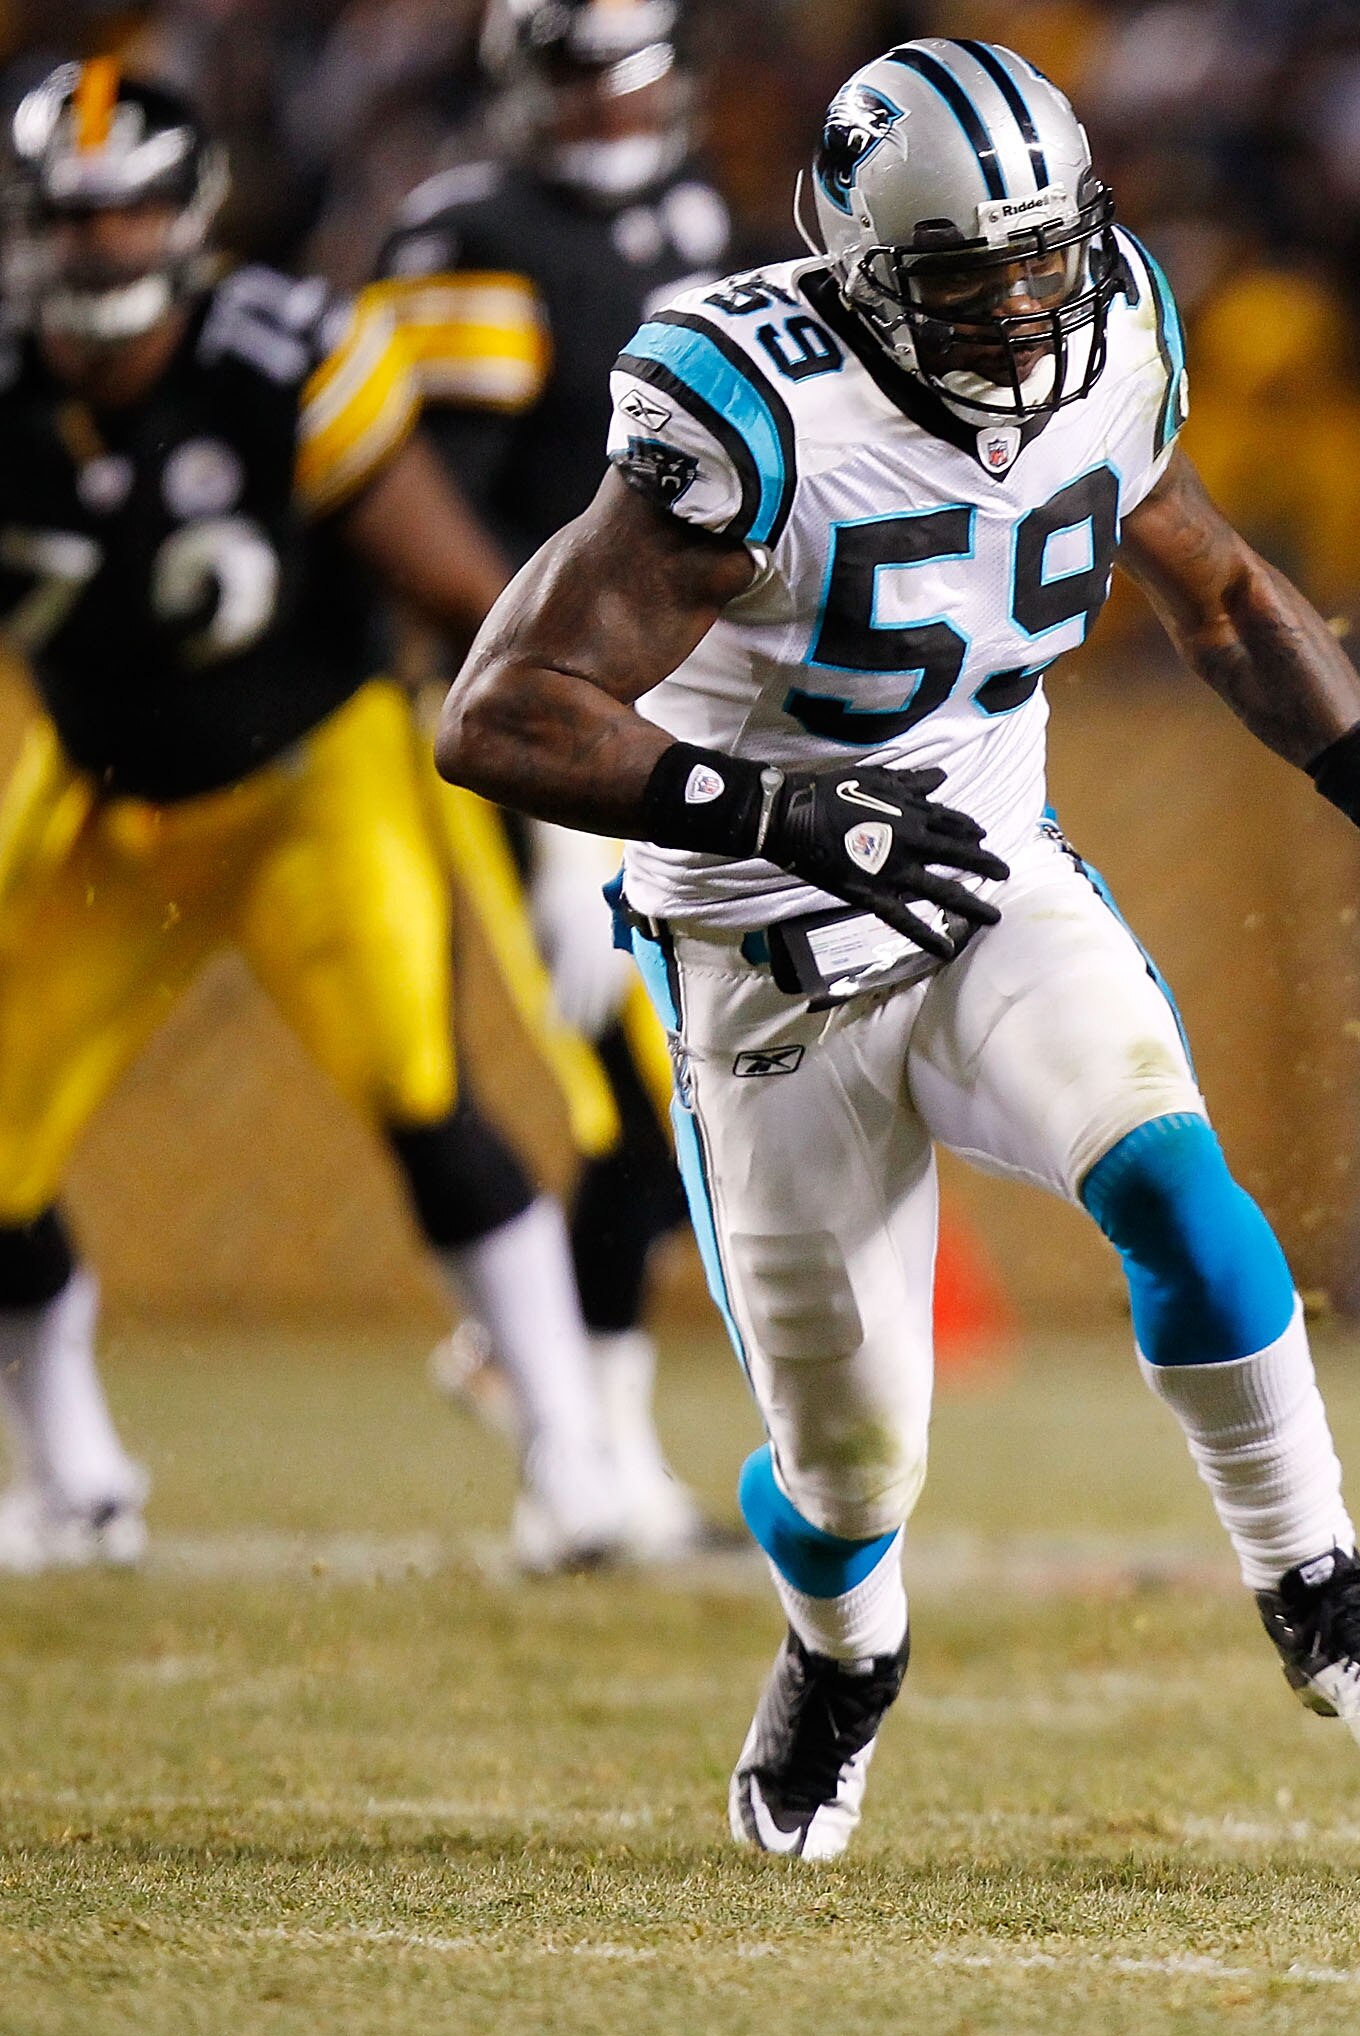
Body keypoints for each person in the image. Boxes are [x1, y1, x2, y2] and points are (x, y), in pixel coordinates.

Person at [436, 40, 1360, 1860]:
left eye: (1049, 258)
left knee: (1186, 1200)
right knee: (853, 1466)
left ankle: (1317, 1583)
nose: (1028, 312)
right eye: (973, 278)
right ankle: (842, 1650)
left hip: (982, 883)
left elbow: (1228, 593)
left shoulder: (1114, 333)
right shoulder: (755, 408)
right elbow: (503, 711)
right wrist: (783, 813)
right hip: (762, 955)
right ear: (864, 267)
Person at [0, 61, 626, 1573]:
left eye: (132, 209)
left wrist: (572, 805)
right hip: (99, 797)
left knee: (420, 1090)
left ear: (192, 212)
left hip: (310, 781)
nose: (101, 249)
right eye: (74, 218)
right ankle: (72, 1470)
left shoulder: (281, 354)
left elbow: (462, 585)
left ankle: (575, 1455)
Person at [375, 0, 734, 1556]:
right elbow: (429, 532)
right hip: (540, 727)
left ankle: (585, 1439)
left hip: (681, 709)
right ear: (523, 91)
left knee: (698, 1108)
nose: (608, 110)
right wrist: (548, 778)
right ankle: (581, 1472)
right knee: (640, 1107)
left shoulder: (696, 207)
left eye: (629, 75)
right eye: (579, 82)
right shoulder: (467, 236)